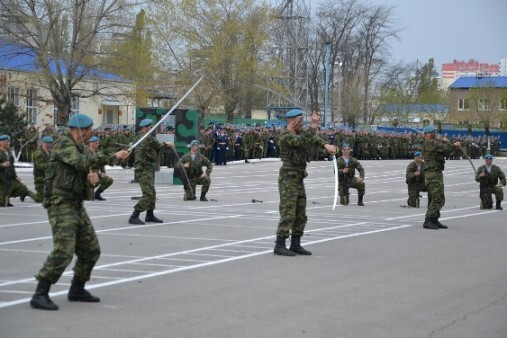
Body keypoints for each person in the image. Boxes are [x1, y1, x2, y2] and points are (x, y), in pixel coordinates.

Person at [30, 114, 129, 310]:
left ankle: (77, 289)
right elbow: (82, 163)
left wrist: (90, 181)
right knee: (64, 249)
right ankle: (40, 293)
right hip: (60, 203)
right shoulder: (63, 145)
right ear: (78, 130)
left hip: (74, 203)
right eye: (89, 130)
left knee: (91, 249)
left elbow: (84, 168)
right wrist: (113, 156)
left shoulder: (80, 148)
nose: (91, 133)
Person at [274, 110, 337, 256]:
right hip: (288, 178)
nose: (302, 124)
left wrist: (326, 145)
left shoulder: (300, 133)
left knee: (300, 213)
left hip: (299, 176)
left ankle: (295, 244)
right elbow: (301, 141)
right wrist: (314, 125)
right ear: (291, 121)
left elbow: (313, 139)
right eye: (300, 121)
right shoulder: (285, 136)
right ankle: (279, 244)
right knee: (288, 212)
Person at [128, 118, 173, 225]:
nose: (151, 129)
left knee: (152, 193)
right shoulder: (147, 138)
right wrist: (168, 144)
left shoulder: (138, 137)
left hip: (145, 167)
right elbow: (159, 147)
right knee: (148, 193)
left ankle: (150, 215)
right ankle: (134, 216)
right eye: (150, 127)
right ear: (145, 128)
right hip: (143, 168)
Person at [421, 125, 461, 230]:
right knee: (439, 199)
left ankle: (434, 219)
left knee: (434, 198)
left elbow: (447, 152)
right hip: (432, 174)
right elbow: (446, 148)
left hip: (436, 173)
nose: (434, 133)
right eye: (432, 132)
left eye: (434, 132)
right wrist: (449, 143)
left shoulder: (434, 142)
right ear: (426, 134)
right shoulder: (430, 142)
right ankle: (428, 220)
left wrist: (448, 144)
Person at [0, 134, 37, 206]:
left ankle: (7, 196)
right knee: (2, 204)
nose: (8, 143)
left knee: (23, 188)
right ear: (1, 142)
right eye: (6, 141)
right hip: (1, 181)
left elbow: (12, 167)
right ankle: (4, 197)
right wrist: (2, 165)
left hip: (9, 179)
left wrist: (15, 176)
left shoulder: (9, 153)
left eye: (9, 141)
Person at [88, 136, 114, 201]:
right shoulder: (85, 152)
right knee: (89, 198)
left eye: (98, 143)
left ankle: (97, 194)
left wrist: (103, 172)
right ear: (91, 143)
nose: (97, 144)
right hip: (87, 174)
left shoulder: (99, 152)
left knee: (109, 180)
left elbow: (102, 163)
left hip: (96, 173)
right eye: (95, 143)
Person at [32, 136, 54, 203]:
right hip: (40, 178)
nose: (52, 144)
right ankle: (27, 193)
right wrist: (51, 165)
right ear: (45, 144)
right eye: (50, 143)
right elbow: (40, 166)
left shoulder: (50, 153)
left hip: (48, 177)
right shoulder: (38, 153)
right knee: (40, 199)